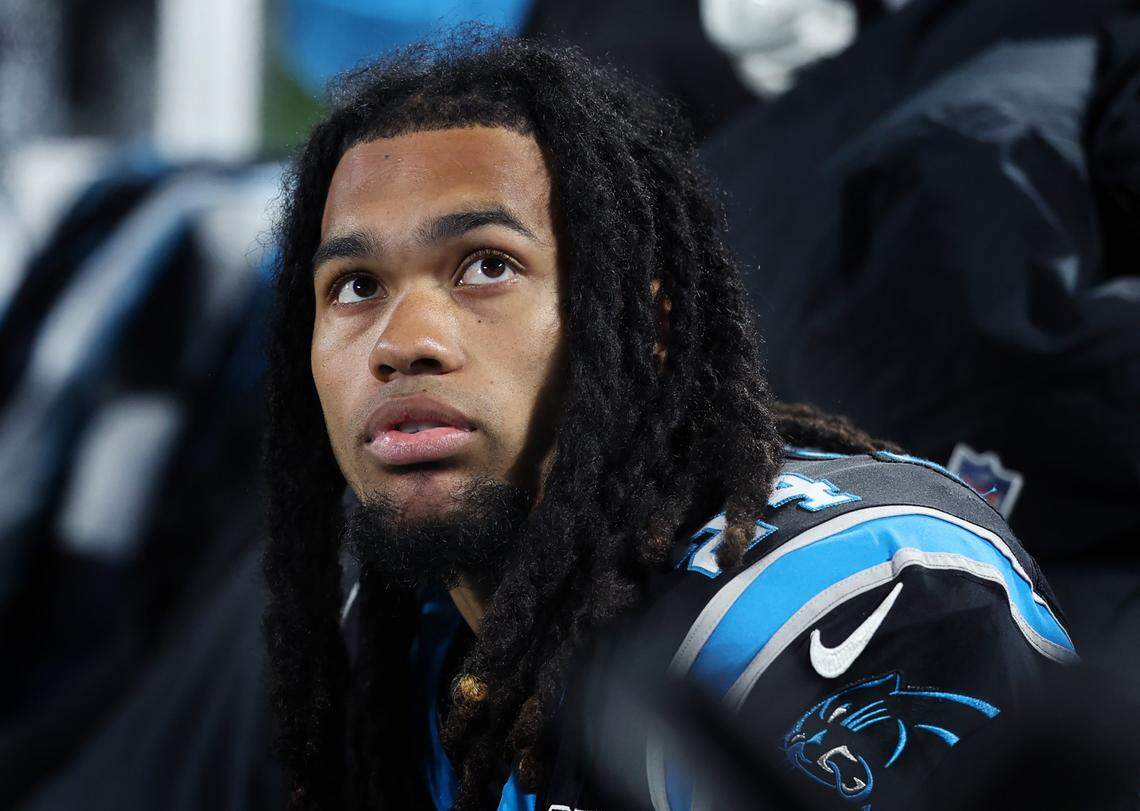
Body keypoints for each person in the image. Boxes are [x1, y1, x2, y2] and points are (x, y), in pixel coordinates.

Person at [261, 33, 1075, 811]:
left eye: (486, 265)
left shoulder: (850, 601)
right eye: (356, 285)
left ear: (645, 325)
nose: (403, 344)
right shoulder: (406, 645)